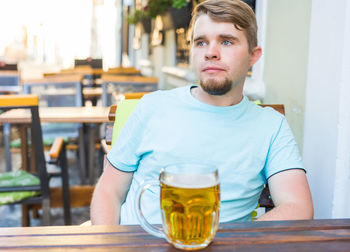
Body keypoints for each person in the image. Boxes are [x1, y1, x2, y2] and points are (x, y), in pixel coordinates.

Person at [91, 0, 313, 225]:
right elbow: (109, 191)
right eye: (200, 42)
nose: (211, 52)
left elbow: (297, 206)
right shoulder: (152, 107)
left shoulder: (270, 126)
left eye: (226, 41)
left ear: (253, 56)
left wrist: (235, 243)